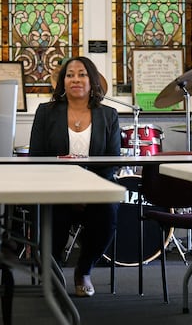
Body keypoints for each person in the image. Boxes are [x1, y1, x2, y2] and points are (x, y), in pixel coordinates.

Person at [29, 56, 120, 297]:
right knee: (52, 215)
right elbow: (37, 157)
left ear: (93, 81)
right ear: (63, 82)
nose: (75, 79)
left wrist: (86, 191)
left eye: (82, 74)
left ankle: (84, 270)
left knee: (108, 212)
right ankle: (54, 271)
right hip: (55, 188)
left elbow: (111, 162)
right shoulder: (46, 112)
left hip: (95, 190)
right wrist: (68, 191)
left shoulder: (109, 115)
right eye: (70, 75)